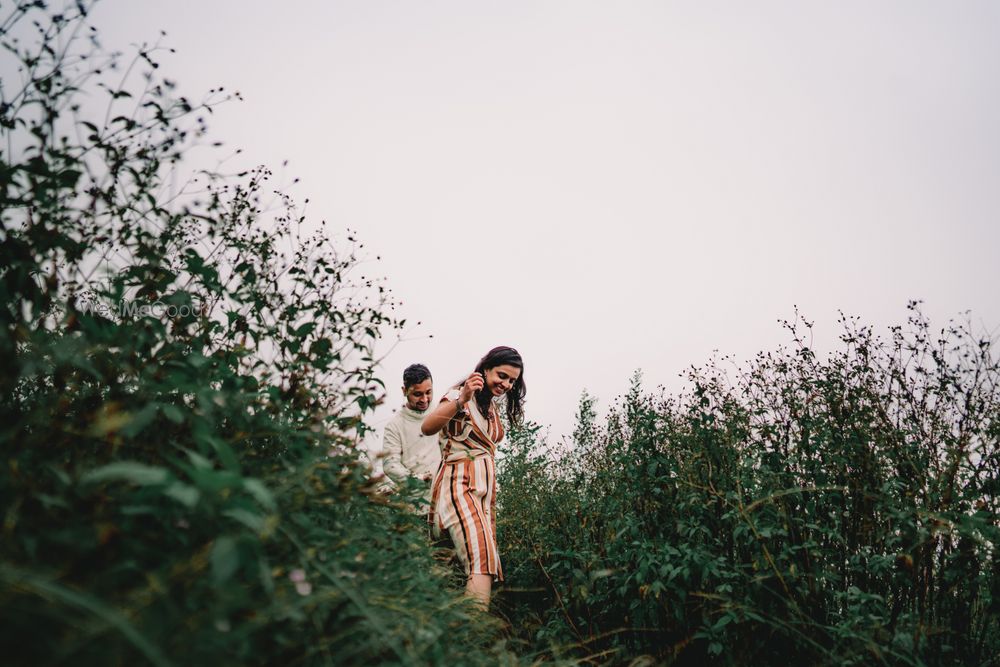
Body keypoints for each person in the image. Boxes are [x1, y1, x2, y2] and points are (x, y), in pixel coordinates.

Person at [421, 346, 526, 608]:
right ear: (486, 368)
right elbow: (428, 427)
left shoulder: (490, 407)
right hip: (459, 487)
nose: (506, 384)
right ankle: (474, 635)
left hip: (482, 496)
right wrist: (461, 399)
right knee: (482, 558)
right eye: (501, 375)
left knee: (456, 569)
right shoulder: (460, 393)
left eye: (512, 380)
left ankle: (452, 632)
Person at [381, 364, 441, 508]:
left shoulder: (442, 411)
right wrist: (418, 480)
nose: (425, 399)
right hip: (416, 507)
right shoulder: (394, 426)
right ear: (404, 391)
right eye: (418, 394)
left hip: (445, 501)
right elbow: (390, 465)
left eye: (428, 392)